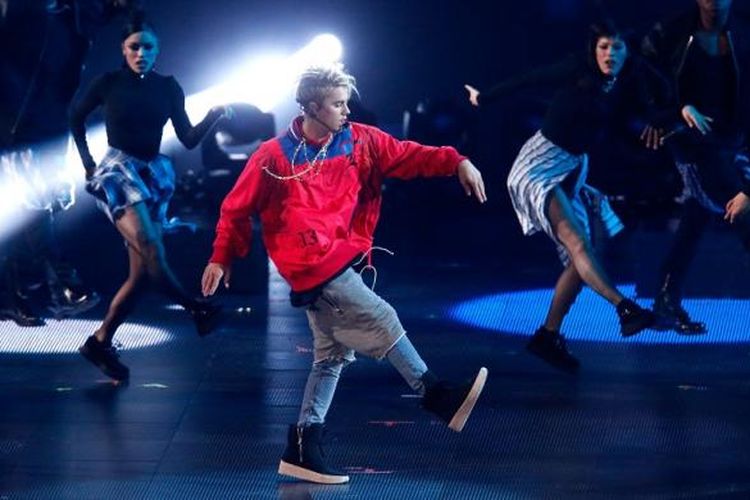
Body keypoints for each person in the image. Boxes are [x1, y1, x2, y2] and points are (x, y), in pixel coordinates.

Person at [202, 64, 488, 485]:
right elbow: (236, 207)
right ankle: (436, 395)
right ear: (313, 107)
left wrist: (456, 161)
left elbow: (409, 155)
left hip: (340, 255)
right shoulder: (274, 156)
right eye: (337, 104)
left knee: (331, 358)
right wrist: (221, 255)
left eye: (346, 102)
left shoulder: (360, 141)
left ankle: (303, 446)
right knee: (383, 317)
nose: (346, 110)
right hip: (310, 263)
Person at [465, 20, 662, 374]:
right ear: (593, 49)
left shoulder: (623, 83)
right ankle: (623, 307)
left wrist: (660, 119)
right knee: (578, 243)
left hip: (573, 168)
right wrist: (485, 96)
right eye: (603, 47)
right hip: (539, 165)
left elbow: (652, 102)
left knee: (581, 257)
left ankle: (548, 335)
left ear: (626, 52)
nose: (609, 55)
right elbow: (530, 79)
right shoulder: (577, 68)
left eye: (617, 48)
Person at [70, 13, 231, 381]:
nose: (141, 53)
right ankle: (196, 308)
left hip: (152, 173)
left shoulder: (168, 87)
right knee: (151, 247)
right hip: (117, 173)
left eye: (148, 47)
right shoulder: (108, 83)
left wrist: (213, 115)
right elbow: (74, 117)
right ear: (123, 50)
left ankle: (99, 342)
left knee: (142, 275)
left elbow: (188, 137)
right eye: (134, 47)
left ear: (157, 51)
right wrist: (88, 163)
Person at [0, 1, 135, 325]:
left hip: (47, 120)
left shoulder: (81, 13)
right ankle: (60, 281)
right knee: (30, 201)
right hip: (14, 118)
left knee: (34, 203)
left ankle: (18, 292)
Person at [641, 0, 750, 334]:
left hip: (730, 138)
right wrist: (674, 110)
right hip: (687, 137)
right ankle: (664, 301)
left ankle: (664, 301)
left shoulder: (743, 34)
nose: (714, 4)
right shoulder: (671, 32)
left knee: (696, 213)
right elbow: (644, 78)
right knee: (740, 209)